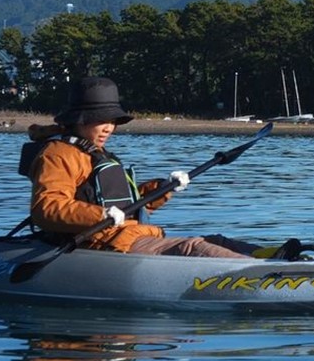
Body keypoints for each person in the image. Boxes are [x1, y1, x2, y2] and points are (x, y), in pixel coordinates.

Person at [27, 76, 259, 259]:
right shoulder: (59, 154)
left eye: (113, 121)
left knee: (217, 241)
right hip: (102, 244)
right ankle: (263, 276)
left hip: (127, 235)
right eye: (102, 120)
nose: (109, 128)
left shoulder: (95, 153)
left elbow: (127, 203)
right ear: (80, 119)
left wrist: (165, 188)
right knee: (191, 247)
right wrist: (101, 215)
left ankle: (279, 260)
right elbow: (46, 208)